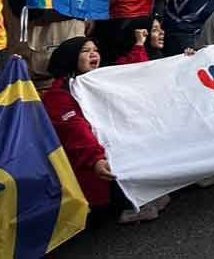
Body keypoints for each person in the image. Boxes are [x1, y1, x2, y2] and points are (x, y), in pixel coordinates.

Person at [42, 37, 169, 224]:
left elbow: (132, 73)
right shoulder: (58, 96)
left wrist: (188, 59)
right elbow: (76, 132)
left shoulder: (98, 80)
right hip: (89, 163)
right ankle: (123, 206)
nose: (94, 54)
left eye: (95, 49)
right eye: (86, 51)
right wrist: (95, 159)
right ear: (70, 58)